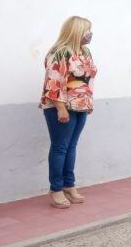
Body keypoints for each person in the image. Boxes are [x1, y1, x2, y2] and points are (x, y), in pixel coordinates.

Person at [41, 16, 97, 209]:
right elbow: (53, 81)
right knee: (60, 147)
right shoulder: (60, 52)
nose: (90, 34)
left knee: (71, 146)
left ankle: (68, 185)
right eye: (87, 30)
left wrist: (88, 102)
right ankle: (55, 189)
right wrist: (60, 107)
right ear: (76, 31)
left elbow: (88, 79)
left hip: (80, 105)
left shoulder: (85, 51)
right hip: (61, 106)